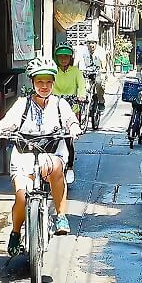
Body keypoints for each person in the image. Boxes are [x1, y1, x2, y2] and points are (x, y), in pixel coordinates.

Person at [0, 55, 82, 257]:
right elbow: (8, 121)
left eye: (49, 82)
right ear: (32, 82)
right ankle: (15, 232)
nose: (44, 86)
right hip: (24, 155)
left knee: (56, 167)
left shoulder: (60, 105)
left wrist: (74, 128)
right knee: (22, 196)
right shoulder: (22, 104)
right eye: (40, 82)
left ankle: (61, 216)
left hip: (51, 153)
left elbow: (71, 121)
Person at [52, 43, 85, 184]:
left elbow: (82, 85)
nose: (64, 59)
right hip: (54, 106)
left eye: (66, 57)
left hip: (72, 107)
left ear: (71, 58)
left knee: (68, 138)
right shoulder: (53, 71)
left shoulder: (76, 71)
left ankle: (70, 165)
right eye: (61, 57)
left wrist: (81, 95)